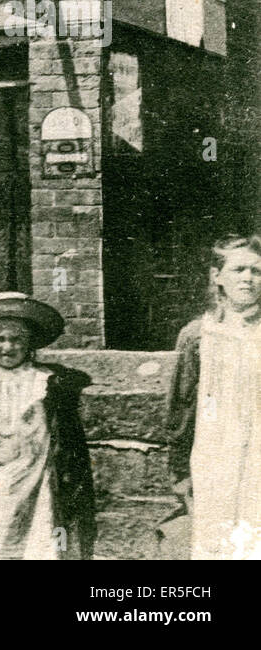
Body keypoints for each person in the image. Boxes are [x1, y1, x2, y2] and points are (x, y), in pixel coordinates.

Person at [0, 292, 95, 560]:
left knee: (34, 538)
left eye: (17, 339)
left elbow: (69, 426)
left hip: (34, 479)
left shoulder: (46, 381)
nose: (7, 347)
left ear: (30, 343)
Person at [166, 234, 261, 560]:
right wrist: (180, 474)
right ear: (217, 276)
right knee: (216, 545)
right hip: (214, 458)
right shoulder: (198, 335)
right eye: (238, 270)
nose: (248, 278)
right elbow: (181, 408)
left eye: (256, 271)